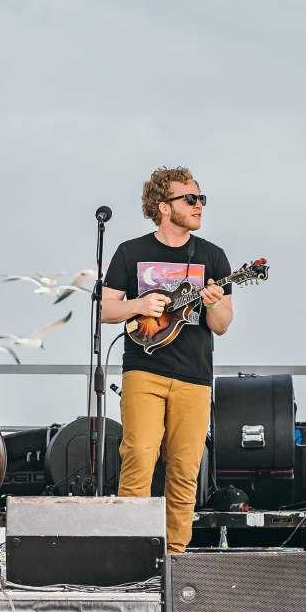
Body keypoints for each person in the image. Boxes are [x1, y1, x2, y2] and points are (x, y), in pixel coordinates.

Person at [101, 166, 233, 553]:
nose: (199, 206)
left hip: (194, 376)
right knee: (139, 455)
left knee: (184, 469)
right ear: (163, 206)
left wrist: (212, 305)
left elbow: (222, 325)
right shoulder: (131, 252)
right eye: (190, 199)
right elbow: (106, 311)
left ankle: (174, 556)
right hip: (144, 370)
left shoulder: (212, 256)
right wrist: (139, 304)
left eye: (201, 199)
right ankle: (130, 552)